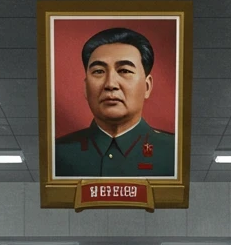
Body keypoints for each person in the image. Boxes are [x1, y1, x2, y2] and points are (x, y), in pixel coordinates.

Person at [54, 28, 176, 178]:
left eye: (124, 71)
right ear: (86, 88)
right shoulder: (56, 154)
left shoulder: (176, 152)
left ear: (147, 86)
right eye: (99, 71)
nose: (110, 84)